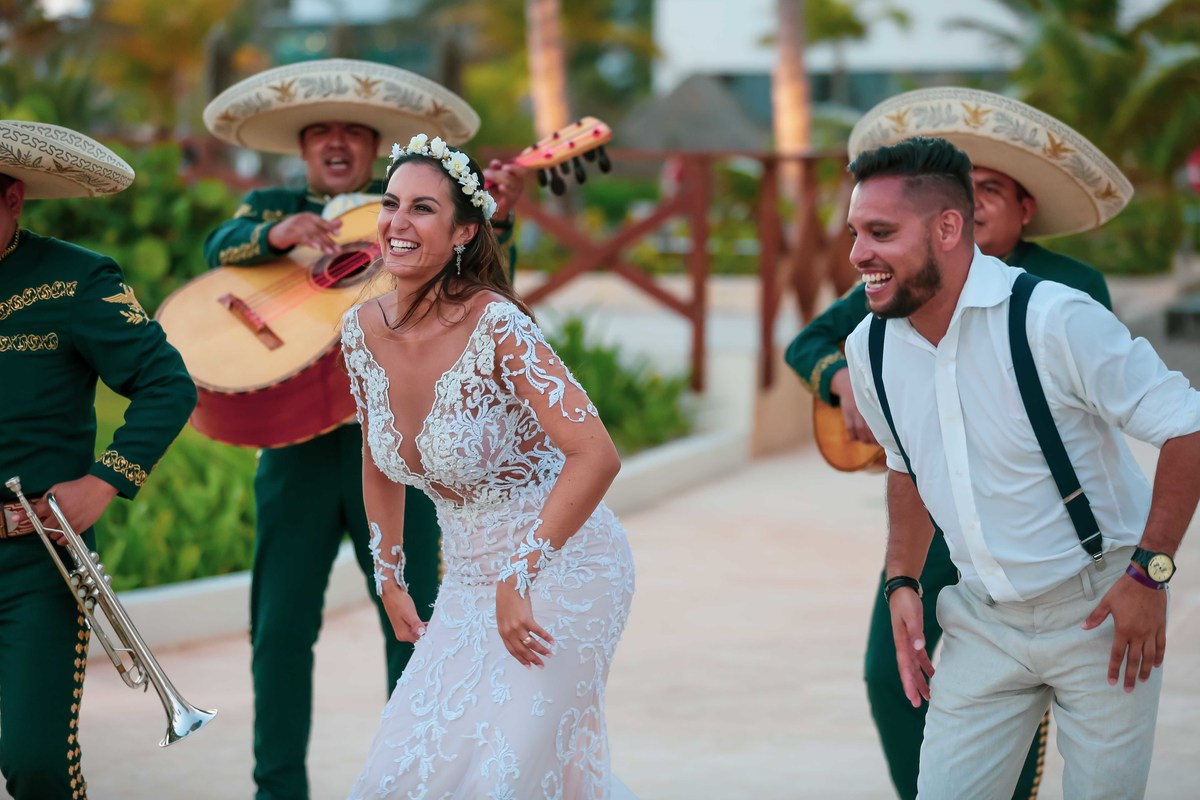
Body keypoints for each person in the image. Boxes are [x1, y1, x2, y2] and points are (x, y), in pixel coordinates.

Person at [783, 87, 1128, 800]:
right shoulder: (902, 281)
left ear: (1027, 209)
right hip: (936, 517)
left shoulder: (1069, 287)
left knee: (1032, 682)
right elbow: (811, 341)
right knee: (892, 671)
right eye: (963, 190)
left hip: (1047, 535)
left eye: (991, 191)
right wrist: (844, 379)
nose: (972, 204)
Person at [200, 59, 527, 800]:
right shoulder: (272, 204)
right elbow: (215, 247)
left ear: (375, 145)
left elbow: (487, 292)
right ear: (305, 147)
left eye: (354, 131)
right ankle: (276, 789)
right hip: (299, 451)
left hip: (405, 455)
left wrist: (494, 220)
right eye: (322, 132)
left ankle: (414, 782)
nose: (338, 143)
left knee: (416, 625)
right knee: (280, 629)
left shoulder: (408, 215)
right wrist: (279, 232)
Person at [841, 135, 1200, 799]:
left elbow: (1187, 425)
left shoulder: (1053, 318)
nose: (859, 253)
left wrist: (1150, 574)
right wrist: (901, 580)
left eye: (881, 232)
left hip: (1100, 610)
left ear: (949, 227)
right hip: (981, 619)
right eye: (856, 231)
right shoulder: (869, 347)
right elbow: (905, 468)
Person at [342, 134, 636, 798]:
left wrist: (521, 572)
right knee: (400, 772)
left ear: (463, 232)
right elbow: (378, 459)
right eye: (391, 204)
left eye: (422, 208)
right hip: (469, 584)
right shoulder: (361, 330)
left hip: (564, 569)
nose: (398, 222)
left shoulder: (498, 325)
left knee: (498, 777)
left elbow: (597, 455)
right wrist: (388, 575)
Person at [0, 121, 197, 799]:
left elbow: (168, 385)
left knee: (36, 764)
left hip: (36, 563)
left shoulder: (76, 278)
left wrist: (106, 481)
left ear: (13, 199)